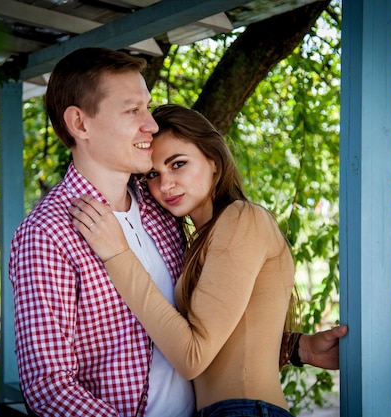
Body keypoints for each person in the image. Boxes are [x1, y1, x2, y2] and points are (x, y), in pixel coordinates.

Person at [9, 46, 346, 417]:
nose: (150, 125)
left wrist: (292, 348)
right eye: (132, 110)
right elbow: (49, 388)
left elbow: (200, 333)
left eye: (148, 108)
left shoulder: (161, 210)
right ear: (80, 123)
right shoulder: (47, 232)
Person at [69, 104, 342, 416]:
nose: (165, 185)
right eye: (154, 174)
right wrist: (297, 348)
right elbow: (233, 339)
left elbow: (192, 357)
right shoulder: (204, 238)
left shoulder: (242, 218)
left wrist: (118, 255)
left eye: (178, 164)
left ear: (213, 160)